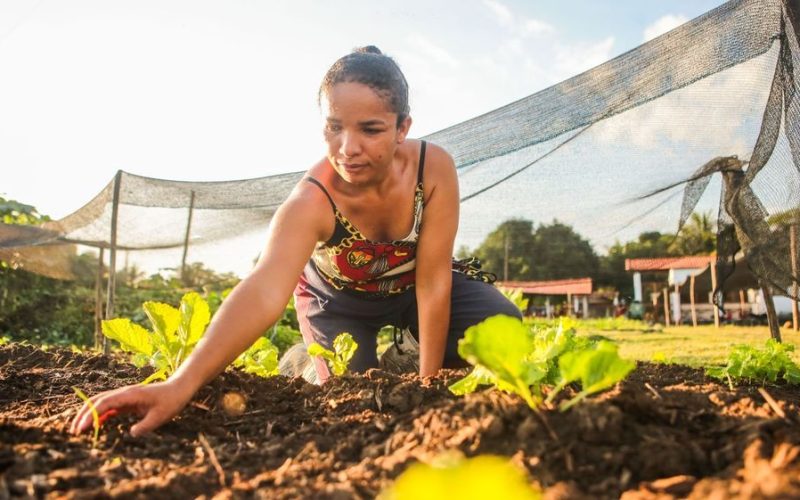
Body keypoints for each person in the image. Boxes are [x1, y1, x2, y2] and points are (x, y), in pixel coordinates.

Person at [71, 46, 520, 437]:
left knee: (498, 322)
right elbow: (264, 290)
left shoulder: (433, 168)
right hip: (339, 303)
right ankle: (305, 359)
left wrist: (427, 385)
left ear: (402, 128)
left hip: (409, 290)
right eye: (334, 127)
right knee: (350, 392)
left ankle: (406, 355)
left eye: (370, 129)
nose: (348, 148)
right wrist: (179, 384)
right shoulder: (312, 201)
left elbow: (434, 279)